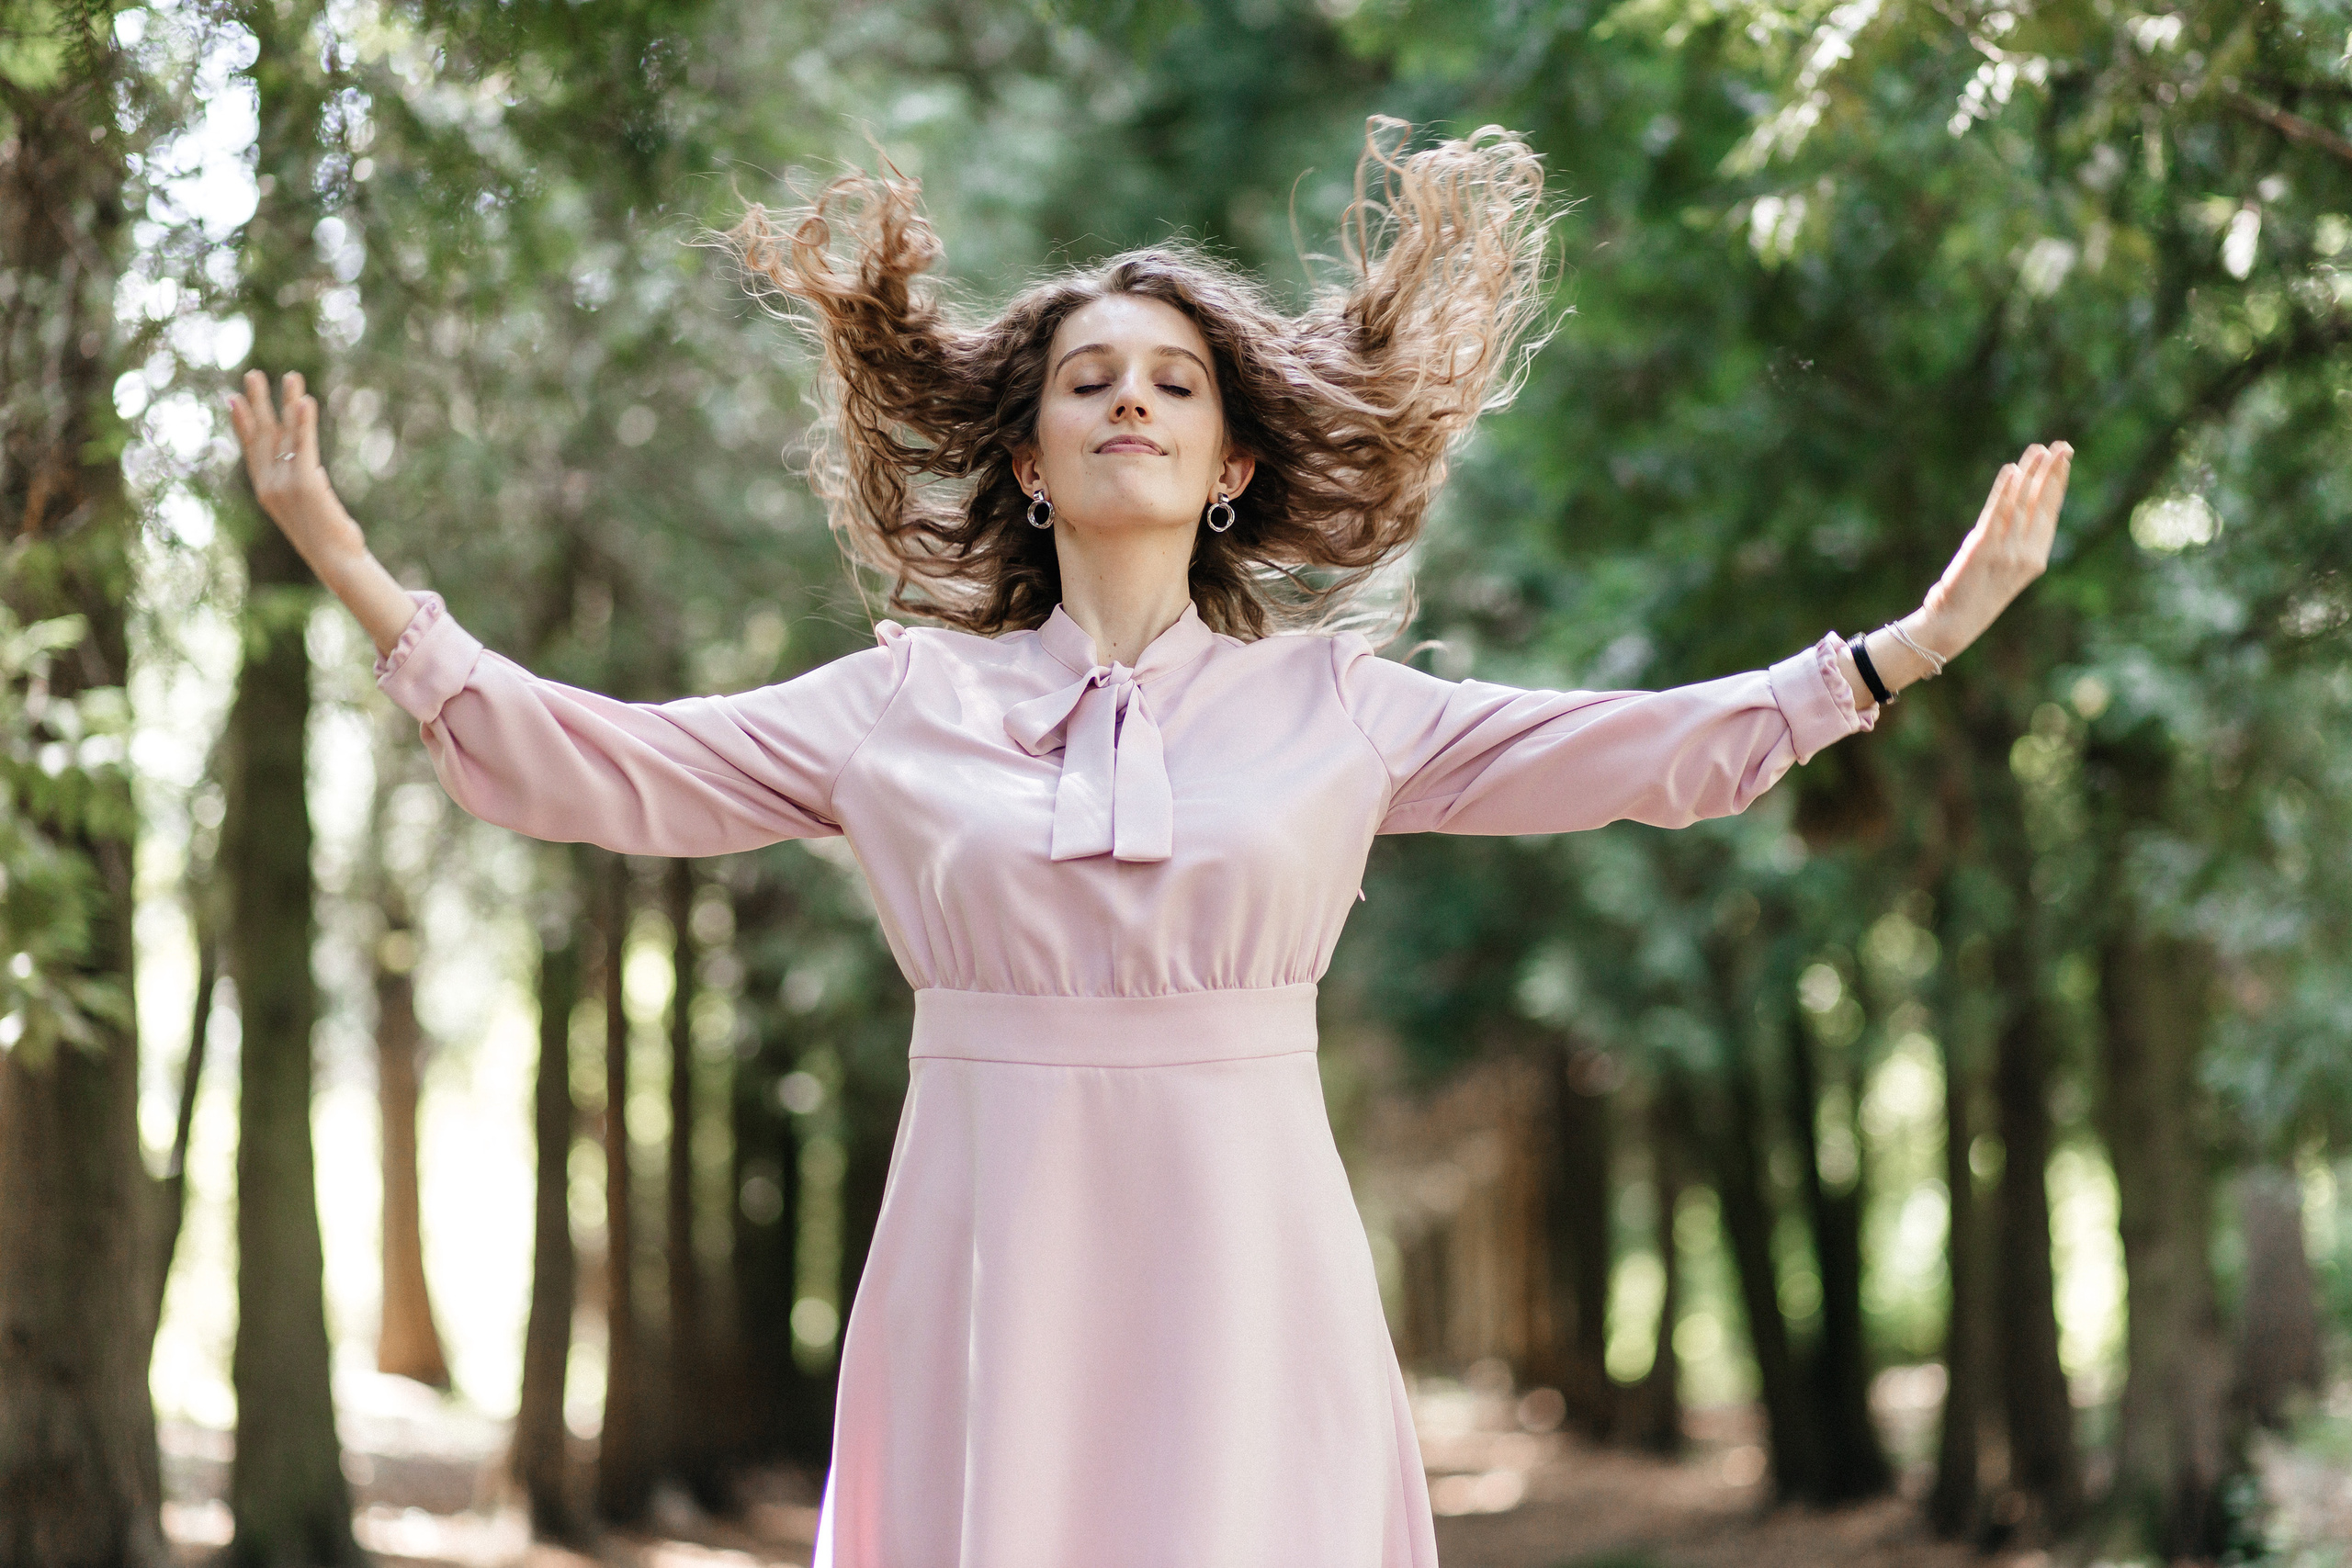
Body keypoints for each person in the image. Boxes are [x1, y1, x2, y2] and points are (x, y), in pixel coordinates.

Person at [229, 120, 2069, 1568]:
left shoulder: (1340, 707)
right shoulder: (895, 701)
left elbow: (1632, 750)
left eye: (1174, 381)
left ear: (1231, 461)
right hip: (985, 1231)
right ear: (1025, 456)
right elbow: (600, 764)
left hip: (1245, 1234)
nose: (1128, 399)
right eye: (1087, 377)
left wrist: (1890, 652)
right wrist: (359, 570)